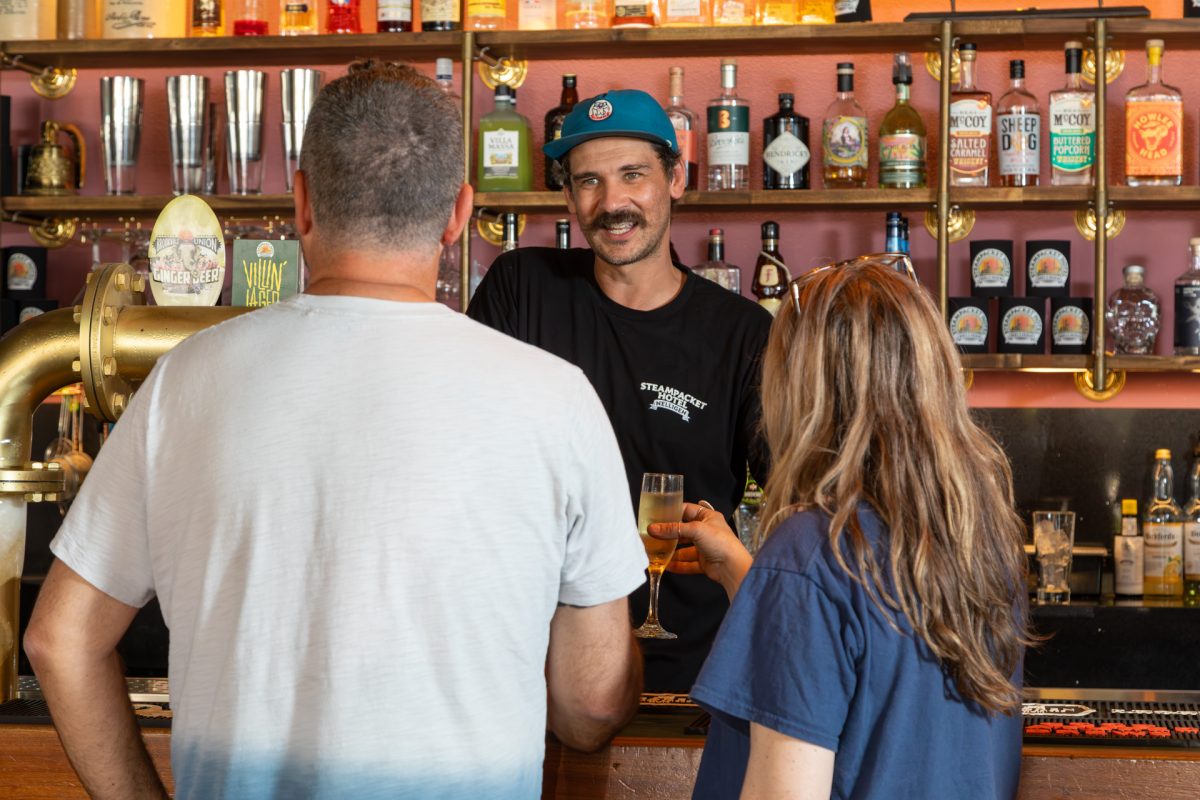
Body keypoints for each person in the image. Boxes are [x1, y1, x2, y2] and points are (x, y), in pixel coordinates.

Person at [24, 62, 647, 800]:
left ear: (302, 203)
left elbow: (59, 639)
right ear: (458, 213)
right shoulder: (556, 399)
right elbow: (591, 706)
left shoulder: (185, 381)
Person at [650, 256, 1031, 798]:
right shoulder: (979, 539)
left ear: (801, 389)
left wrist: (780, 578)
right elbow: (876, 672)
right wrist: (748, 577)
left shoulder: (811, 553)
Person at [468, 89, 772, 694]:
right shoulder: (521, 288)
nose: (612, 203)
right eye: (589, 181)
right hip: (534, 663)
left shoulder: (744, 334)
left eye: (633, 175)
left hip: (690, 670)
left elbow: (800, 500)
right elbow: (466, 456)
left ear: (676, 178)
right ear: (568, 194)